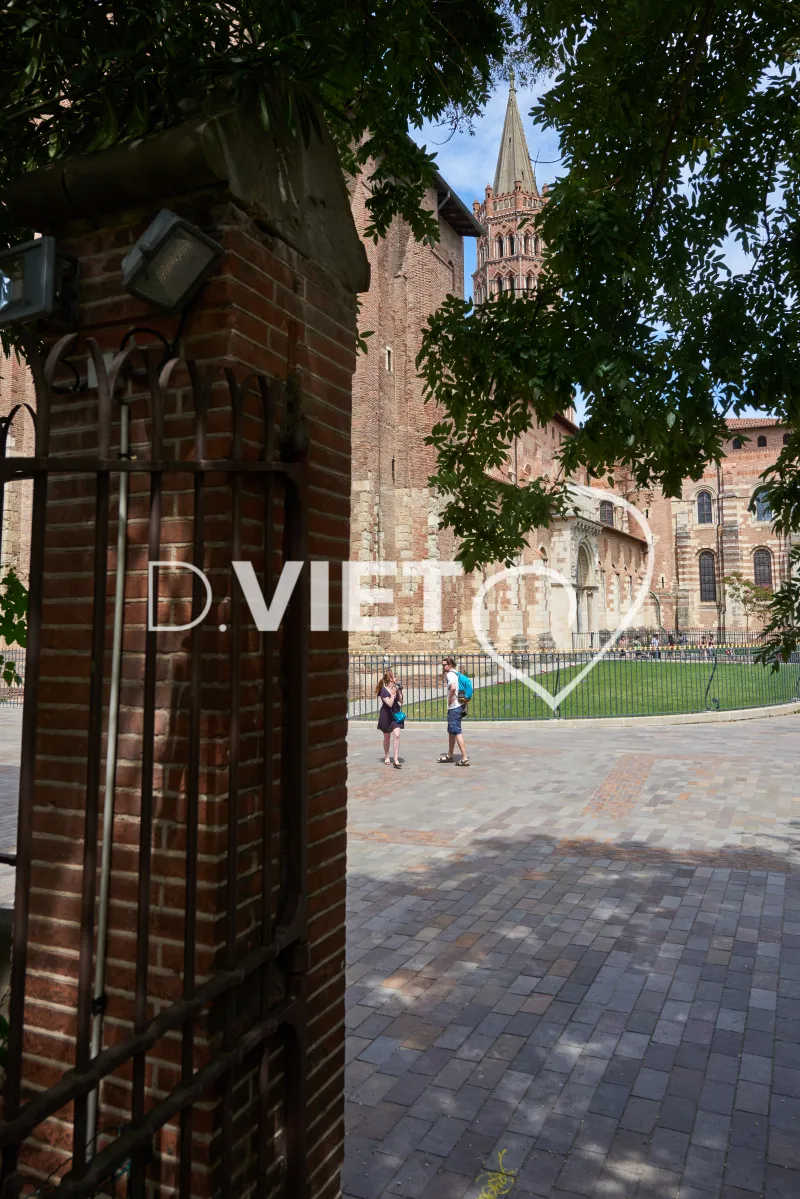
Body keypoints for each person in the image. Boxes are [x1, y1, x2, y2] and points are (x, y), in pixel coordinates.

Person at [438, 655, 470, 766]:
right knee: (451, 731)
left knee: (456, 731)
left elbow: (453, 688)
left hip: (454, 706)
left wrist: (450, 699)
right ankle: (450, 755)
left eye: (444, 665)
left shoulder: (450, 674)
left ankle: (464, 758)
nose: (442, 666)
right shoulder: (457, 673)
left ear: (450, 665)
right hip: (460, 705)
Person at [376, 669, 403, 768]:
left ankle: (396, 759)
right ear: (391, 679)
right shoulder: (383, 691)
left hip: (396, 714)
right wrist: (392, 693)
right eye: (394, 676)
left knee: (397, 735)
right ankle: (387, 756)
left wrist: (399, 692)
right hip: (386, 715)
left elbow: (401, 701)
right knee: (387, 736)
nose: (396, 678)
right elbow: (390, 703)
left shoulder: (396, 688)